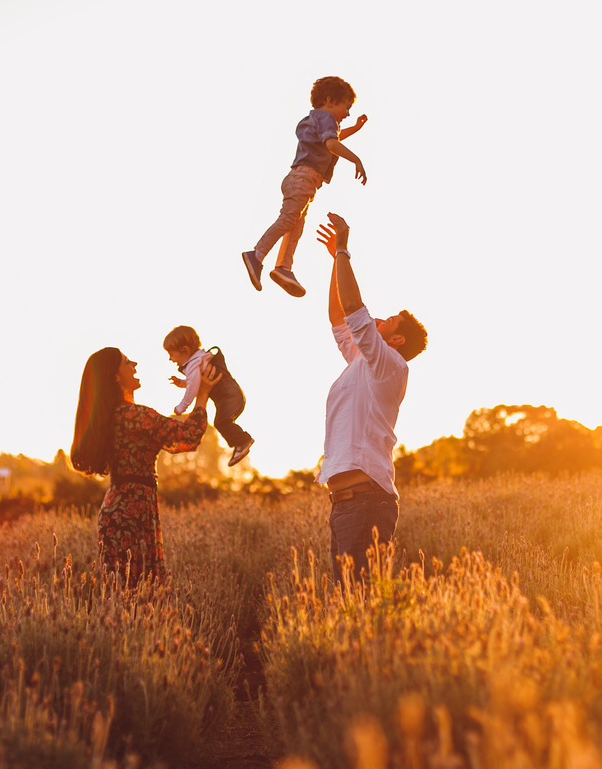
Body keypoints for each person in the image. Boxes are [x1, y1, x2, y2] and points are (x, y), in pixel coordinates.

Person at [314, 212, 428, 585]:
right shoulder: (363, 361)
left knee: (358, 607)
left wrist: (345, 250)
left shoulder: (389, 364)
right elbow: (338, 317)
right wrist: (334, 260)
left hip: (365, 503)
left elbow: (353, 310)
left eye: (389, 320)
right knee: (352, 609)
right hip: (348, 506)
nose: (379, 317)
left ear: (396, 341)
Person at [70, 347, 221, 585]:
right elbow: (188, 435)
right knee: (140, 594)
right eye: (127, 362)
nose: (135, 365)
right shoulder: (135, 416)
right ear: (116, 376)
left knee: (128, 597)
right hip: (132, 513)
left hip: (123, 509)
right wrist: (202, 394)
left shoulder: (112, 417)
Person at [242, 76, 368, 299]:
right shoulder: (326, 118)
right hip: (304, 178)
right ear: (330, 100)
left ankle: (283, 267)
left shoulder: (317, 119)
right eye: (346, 107)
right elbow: (332, 143)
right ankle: (257, 255)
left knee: (296, 226)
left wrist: (355, 128)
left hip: (301, 179)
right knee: (289, 219)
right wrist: (356, 159)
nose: (347, 113)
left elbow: (334, 137)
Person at [163, 325, 254, 467]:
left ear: (185, 350)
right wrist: (181, 382)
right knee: (223, 422)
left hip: (229, 397)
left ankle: (242, 441)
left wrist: (182, 406)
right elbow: (195, 381)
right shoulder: (200, 360)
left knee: (221, 423)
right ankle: (240, 443)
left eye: (171, 354)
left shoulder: (194, 364)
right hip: (231, 396)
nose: (170, 358)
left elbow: (193, 388)